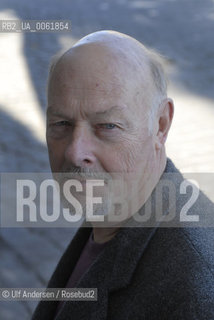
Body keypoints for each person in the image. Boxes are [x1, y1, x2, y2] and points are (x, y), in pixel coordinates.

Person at [32, 30, 214, 319]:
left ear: (161, 124)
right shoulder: (112, 214)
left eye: (107, 126)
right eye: (61, 123)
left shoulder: (194, 290)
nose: (75, 153)